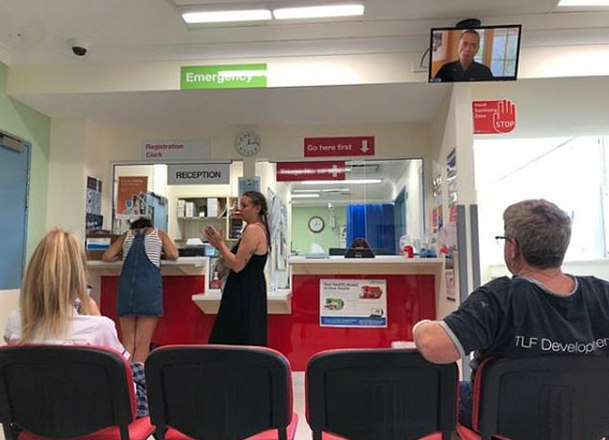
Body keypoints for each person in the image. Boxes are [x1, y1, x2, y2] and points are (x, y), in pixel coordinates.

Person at [413, 199, 609, 427]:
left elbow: (434, 347)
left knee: (440, 392)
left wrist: (421, 326)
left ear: (513, 247)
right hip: (584, 421)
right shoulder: (602, 294)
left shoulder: (499, 299)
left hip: (506, 423)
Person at [3, 229, 148, 417]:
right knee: (140, 371)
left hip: (36, 417)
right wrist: (95, 316)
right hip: (95, 418)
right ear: (79, 277)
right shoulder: (98, 328)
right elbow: (122, 374)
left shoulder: (15, 322)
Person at [103, 217, 178, 363]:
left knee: (128, 343)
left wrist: (120, 256)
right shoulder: (159, 234)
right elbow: (174, 255)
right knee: (142, 344)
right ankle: (138, 376)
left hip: (126, 291)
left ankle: (126, 375)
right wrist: (161, 253)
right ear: (150, 225)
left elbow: (107, 256)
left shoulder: (126, 235)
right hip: (148, 291)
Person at [204, 190, 270, 346]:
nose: (240, 209)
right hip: (245, 288)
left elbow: (237, 265)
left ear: (257, 208)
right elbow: (232, 261)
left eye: (245, 206)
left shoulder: (254, 230)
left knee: (235, 338)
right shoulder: (252, 229)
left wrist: (220, 244)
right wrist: (220, 248)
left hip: (245, 291)